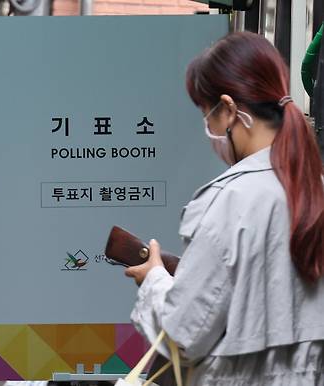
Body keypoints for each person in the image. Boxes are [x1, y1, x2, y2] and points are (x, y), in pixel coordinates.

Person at [124, 32, 324, 385]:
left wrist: (154, 279)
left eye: (208, 115)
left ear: (230, 110)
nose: (209, 130)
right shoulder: (314, 186)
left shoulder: (232, 202)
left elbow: (184, 336)